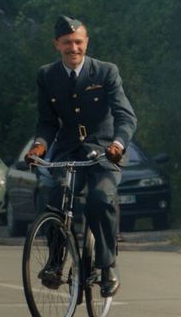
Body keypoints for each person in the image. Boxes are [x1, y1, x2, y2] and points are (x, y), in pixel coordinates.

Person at [24, 16, 137, 296]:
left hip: (104, 151)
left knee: (100, 199)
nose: (73, 48)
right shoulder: (47, 76)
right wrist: (39, 145)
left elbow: (125, 116)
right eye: (67, 43)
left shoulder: (105, 72)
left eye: (78, 42)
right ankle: (54, 262)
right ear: (57, 45)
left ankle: (108, 264)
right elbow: (47, 122)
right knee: (56, 199)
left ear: (86, 42)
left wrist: (119, 144)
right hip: (67, 150)